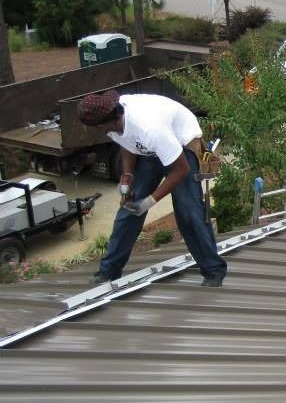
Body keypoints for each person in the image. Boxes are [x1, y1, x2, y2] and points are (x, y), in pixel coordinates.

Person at [77, 90, 227, 287]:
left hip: (181, 145)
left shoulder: (149, 128)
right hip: (151, 150)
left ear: (110, 120)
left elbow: (180, 170)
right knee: (129, 209)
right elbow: (128, 144)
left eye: (99, 128)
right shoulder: (111, 120)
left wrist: (148, 202)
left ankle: (213, 270)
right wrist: (128, 176)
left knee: (188, 211)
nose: (99, 132)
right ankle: (109, 271)